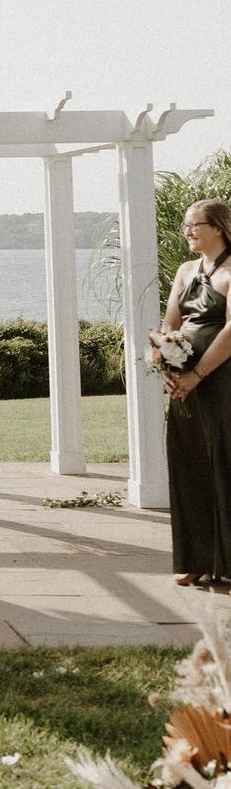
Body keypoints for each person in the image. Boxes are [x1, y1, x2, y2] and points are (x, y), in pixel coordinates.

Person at [162, 198, 231, 591]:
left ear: (218, 228)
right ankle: (193, 559)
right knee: (188, 464)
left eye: (195, 224)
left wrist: (199, 373)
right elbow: (171, 323)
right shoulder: (185, 270)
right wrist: (167, 368)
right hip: (183, 383)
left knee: (224, 462)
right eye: (185, 224)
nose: (187, 230)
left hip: (221, 382)